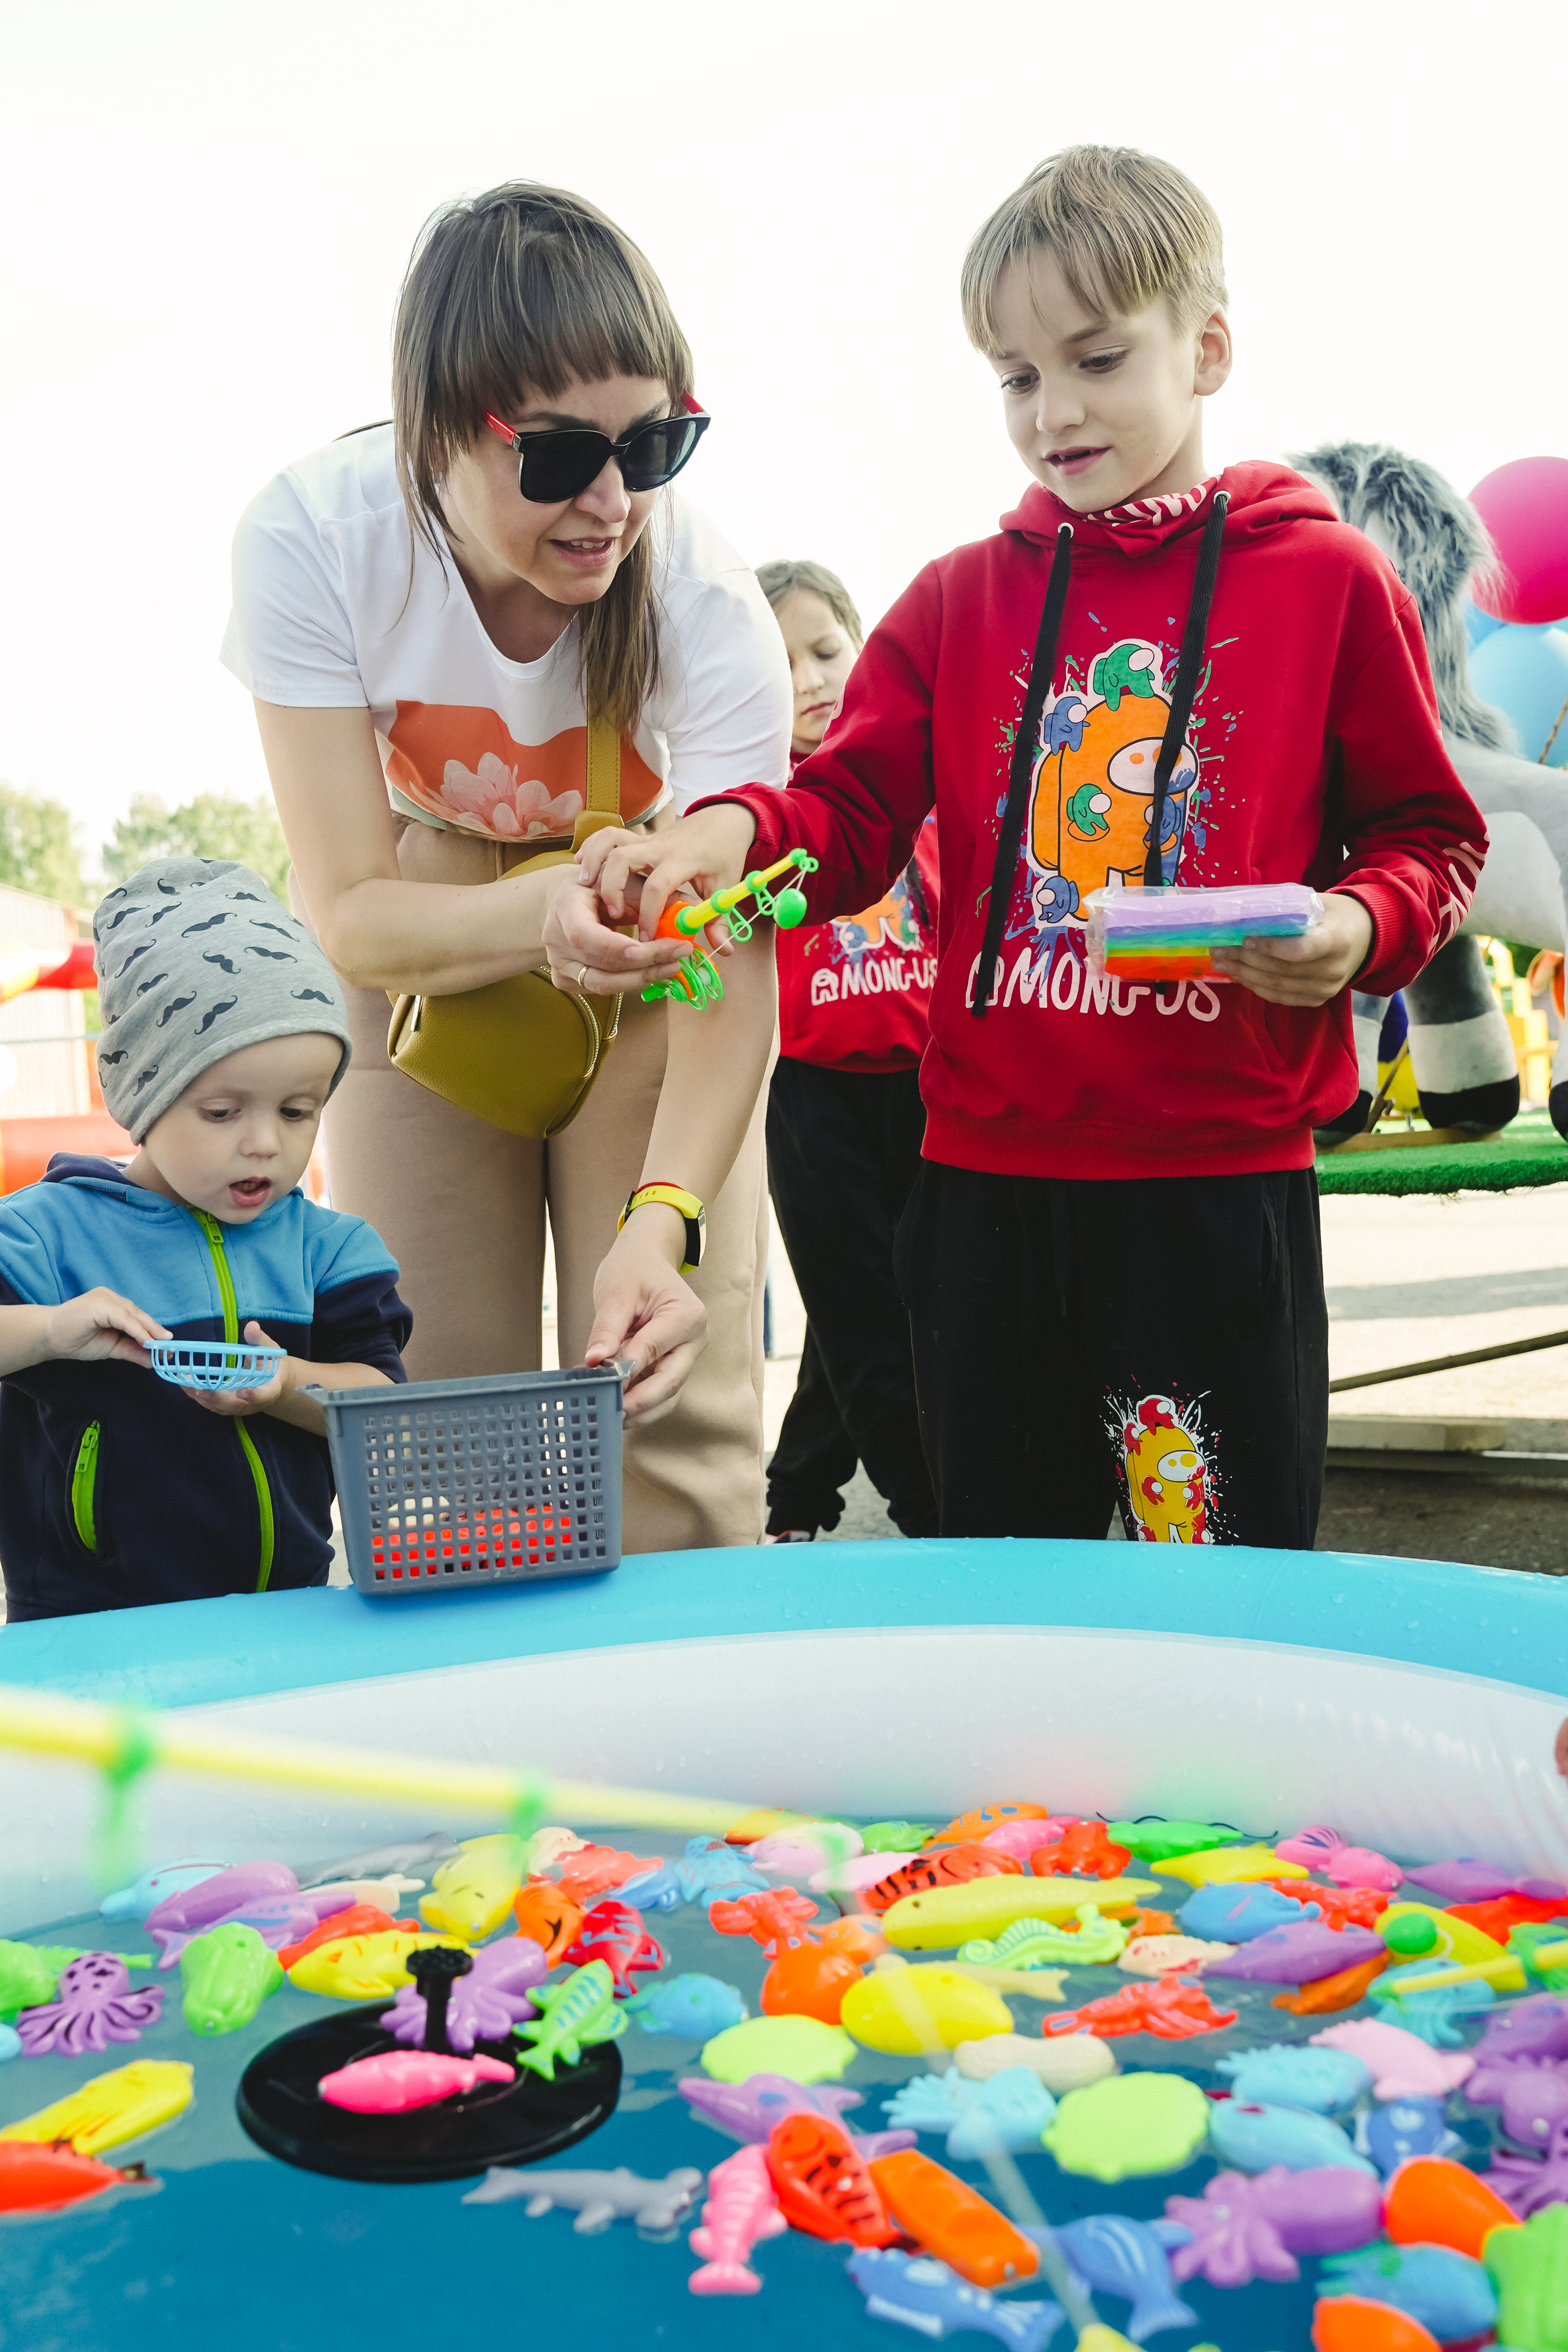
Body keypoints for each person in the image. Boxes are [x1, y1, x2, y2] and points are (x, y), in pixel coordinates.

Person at [571, 145, 1488, 1549]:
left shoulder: (1326, 583)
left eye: (1095, 358)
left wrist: (1358, 928)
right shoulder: (952, 600)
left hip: (1212, 1184)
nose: (1051, 412)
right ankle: (1029, 1791)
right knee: (1005, 1576)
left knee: (1223, 1579)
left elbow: (1429, 833)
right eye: (1012, 376)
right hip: (982, 1195)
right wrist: (724, 832)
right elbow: (845, 818)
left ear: (1207, 348)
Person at [222, 182, 791, 1552]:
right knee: (439, 1406)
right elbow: (353, 913)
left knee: (665, 1392)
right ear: (432, 435)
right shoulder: (311, 537)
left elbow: (737, 956)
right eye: (554, 458)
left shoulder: (708, 608)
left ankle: (689, 1750)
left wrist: (660, 1227)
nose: (610, 504)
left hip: (661, 923)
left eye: (653, 444)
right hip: (437, 915)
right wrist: (532, 909)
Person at [0, 859, 411, 1621]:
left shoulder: (329, 1251)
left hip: (286, 1616)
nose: (265, 1145)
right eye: (223, 1112)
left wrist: (287, 1386)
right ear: (142, 1097)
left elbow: (385, 1409)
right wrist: (53, 1329)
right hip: (86, 1626)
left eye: (297, 1111)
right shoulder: (45, 1234)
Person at [756, 560, 938, 1542]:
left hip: (927, 1086)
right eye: (780, 664)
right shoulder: (747, 804)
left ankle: (795, 1499)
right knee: (862, 1314)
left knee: (891, 1303)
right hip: (809, 1092)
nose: (811, 680)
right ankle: (935, 1514)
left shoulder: (920, 781)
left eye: (825, 651)